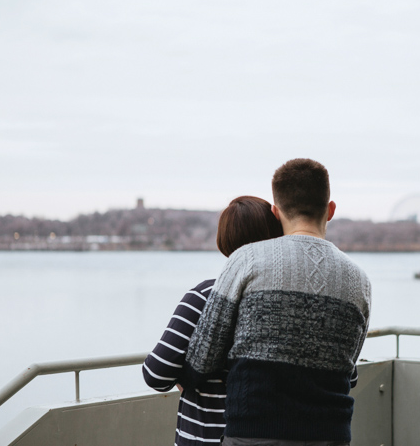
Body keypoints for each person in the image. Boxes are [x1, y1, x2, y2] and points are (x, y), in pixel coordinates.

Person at [184, 158, 372, 446]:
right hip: (330, 435)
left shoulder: (246, 260)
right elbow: (348, 367)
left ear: (275, 210)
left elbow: (202, 357)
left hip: (253, 433)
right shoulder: (359, 280)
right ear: (331, 210)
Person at [142, 196, 284, 446]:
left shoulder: (204, 296)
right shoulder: (289, 301)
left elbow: (156, 373)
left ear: (224, 242)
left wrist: (186, 377)